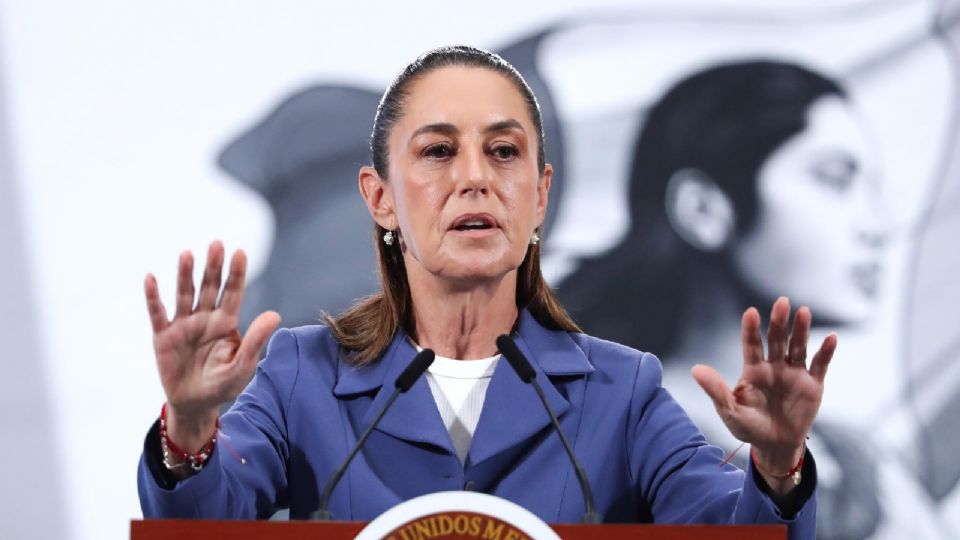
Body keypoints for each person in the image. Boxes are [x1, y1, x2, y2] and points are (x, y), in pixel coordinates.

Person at [138, 47, 834, 537]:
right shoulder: (301, 376)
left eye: (503, 152)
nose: (474, 178)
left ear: (540, 196)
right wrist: (190, 430)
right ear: (380, 199)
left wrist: (777, 470)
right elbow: (204, 525)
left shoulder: (621, 393)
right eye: (438, 151)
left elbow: (735, 531)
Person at [557, 61, 888, 538]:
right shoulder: (608, 444)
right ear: (703, 209)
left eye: (873, 190)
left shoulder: (859, 458)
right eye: (834, 179)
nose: (877, 226)